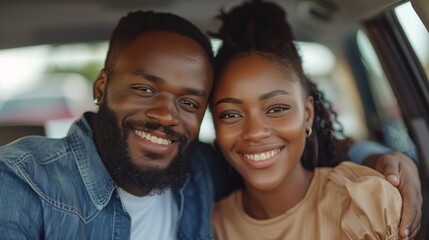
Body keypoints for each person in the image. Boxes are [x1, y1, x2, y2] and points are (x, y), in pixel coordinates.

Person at [0, 8, 421, 240]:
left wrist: (384, 158)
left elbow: (296, 151)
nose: (166, 115)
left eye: (189, 101)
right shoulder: (25, 182)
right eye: (146, 89)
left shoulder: (199, 169)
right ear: (102, 86)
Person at [209, 1, 420, 239]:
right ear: (215, 125)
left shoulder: (365, 202)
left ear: (307, 114)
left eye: (277, 108)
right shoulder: (214, 225)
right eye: (231, 114)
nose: (255, 131)